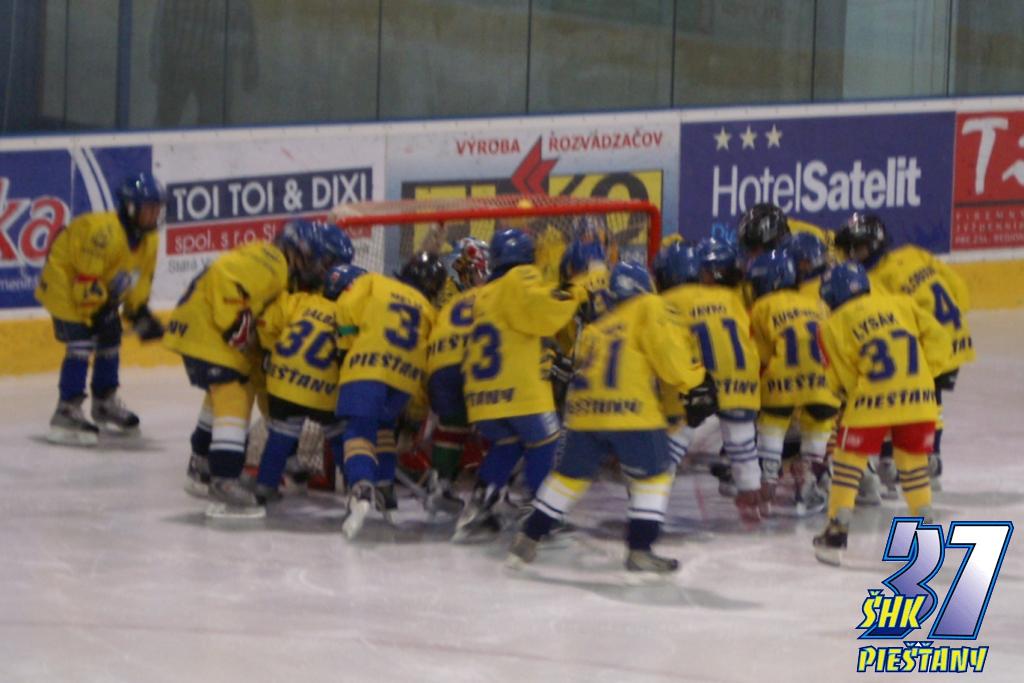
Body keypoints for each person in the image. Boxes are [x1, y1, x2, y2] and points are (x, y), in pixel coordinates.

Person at [508, 262, 708, 574]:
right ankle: (640, 550)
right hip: (632, 411)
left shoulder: (597, 326)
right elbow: (669, 353)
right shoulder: (649, 306)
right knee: (654, 477)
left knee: (567, 478)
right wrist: (695, 380)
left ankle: (528, 537)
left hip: (583, 414)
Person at [165, 220, 330, 517]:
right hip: (210, 331)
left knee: (225, 392)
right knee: (235, 395)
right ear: (297, 252)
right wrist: (235, 325)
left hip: (199, 330)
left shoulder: (276, 269)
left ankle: (201, 463)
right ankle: (225, 478)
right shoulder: (273, 261)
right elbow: (224, 276)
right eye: (317, 261)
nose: (319, 270)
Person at [813, 262, 951, 565]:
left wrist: (851, 397)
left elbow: (839, 377)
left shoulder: (831, 326)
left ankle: (837, 530)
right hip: (919, 398)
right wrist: (923, 375)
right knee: (913, 463)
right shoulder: (902, 303)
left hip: (870, 400)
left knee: (848, 461)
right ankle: (927, 530)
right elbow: (940, 341)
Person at [453, 229, 587, 540]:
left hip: (480, 396)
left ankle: (479, 507)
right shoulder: (520, 278)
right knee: (546, 441)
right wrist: (578, 292)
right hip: (519, 391)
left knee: (509, 442)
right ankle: (539, 512)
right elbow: (545, 310)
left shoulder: (484, 293)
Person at [835, 213, 973, 491]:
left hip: (928, 342)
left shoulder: (874, 280)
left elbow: (891, 323)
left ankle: (892, 459)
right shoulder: (913, 254)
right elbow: (959, 288)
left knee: (899, 395)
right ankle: (930, 456)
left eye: (857, 249)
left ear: (872, 247)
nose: (852, 256)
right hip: (955, 337)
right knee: (930, 398)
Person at [35, 171, 167, 445]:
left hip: (93, 292)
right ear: (130, 208)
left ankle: (104, 402)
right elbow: (85, 279)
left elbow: (139, 280)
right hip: (64, 287)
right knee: (81, 342)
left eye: (158, 208)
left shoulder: (150, 240)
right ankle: (66, 409)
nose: (154, 215)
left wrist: (138, 312)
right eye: (149, 208)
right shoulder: (102, 234)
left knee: (111, 338)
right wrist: (97, 312)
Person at [333, 252, 445, 539]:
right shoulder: (429, 310)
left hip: (367, 366)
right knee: (384, 429)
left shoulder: (374, 282)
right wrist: (418, 410)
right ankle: (386, 491)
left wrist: (346, 345)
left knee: (358, 430)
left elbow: (345, 308)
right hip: (405, 378)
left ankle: (361, 488)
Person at [245, 264, 365, 508]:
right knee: (341, 436)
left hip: (282, 382)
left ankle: (265, 486)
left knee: (280, 436)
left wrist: (272, 351)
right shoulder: (351, 316)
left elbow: (266, 323)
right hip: (324, 389)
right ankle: (357, 488)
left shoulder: (301, 301)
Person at [661, 239, 763, 522]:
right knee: (742, 443)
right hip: (742, 376)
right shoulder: (732, 298)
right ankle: (753, 497)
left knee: (677, 434)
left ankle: (651, 497)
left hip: (701, 376)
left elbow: (668, 347)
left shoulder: (668, 301)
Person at [747, 249, 839, 516]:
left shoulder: (761, 307)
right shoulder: (818, 304)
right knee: (819, 423)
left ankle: (767, 479)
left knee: (772, 422)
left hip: (781, 379)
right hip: (823, 381)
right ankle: (808, 478)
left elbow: (758, 356)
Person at [422, 238, 489, 514]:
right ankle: (493, 490)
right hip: (471, 364)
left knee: (452, 425)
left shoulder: (450, 300)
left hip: (437, 366)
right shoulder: (491, 293)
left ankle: (440, 484)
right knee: (503, 426)